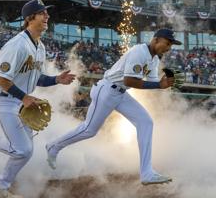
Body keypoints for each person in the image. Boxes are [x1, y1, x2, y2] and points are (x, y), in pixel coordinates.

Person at [45, 28, 182, 185]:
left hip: (120, 93)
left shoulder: (154, 59)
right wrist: (159, 84)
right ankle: (53, 146)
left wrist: (165, 84)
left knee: (146, 122)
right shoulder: (139, 52)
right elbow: (129, 81)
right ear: (157, 39)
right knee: (89, 130)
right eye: (168, 42)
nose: (169, 47)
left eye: (171, 44)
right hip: (107, 90)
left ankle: (147, 173)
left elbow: (152, 83)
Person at [0, 0, 76, 198]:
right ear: (30, 18)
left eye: (47, 13)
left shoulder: (40, 47)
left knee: (26, 151)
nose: (47, 16)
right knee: (22, 150)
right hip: (5, 100)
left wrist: (57, 79)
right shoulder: (17, 45)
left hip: (23, 102)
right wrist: (23, 97)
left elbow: (36, 77)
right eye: (42, 13)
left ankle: (1, 186)